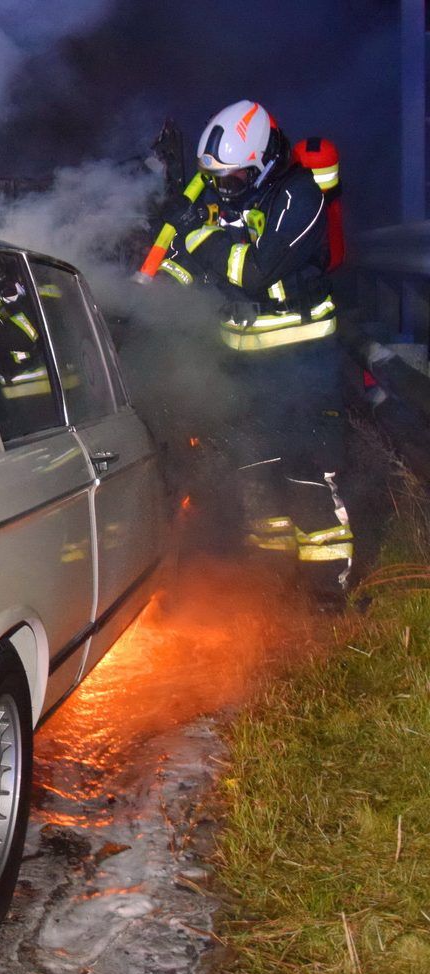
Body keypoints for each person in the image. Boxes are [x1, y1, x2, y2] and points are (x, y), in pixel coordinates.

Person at [155, 99, 353, 600]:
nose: (225, 190)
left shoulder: (299, 198)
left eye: (235, 179)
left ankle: (327, 596)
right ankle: (273, 588)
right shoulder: (229, 203)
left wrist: (196, 231)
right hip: (242, 366)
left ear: (264, 163)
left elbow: (255, 271)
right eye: (218, 180)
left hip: (300, 364)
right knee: (256, 473)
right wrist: (152, 288)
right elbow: (193, 271)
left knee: (306, 474)